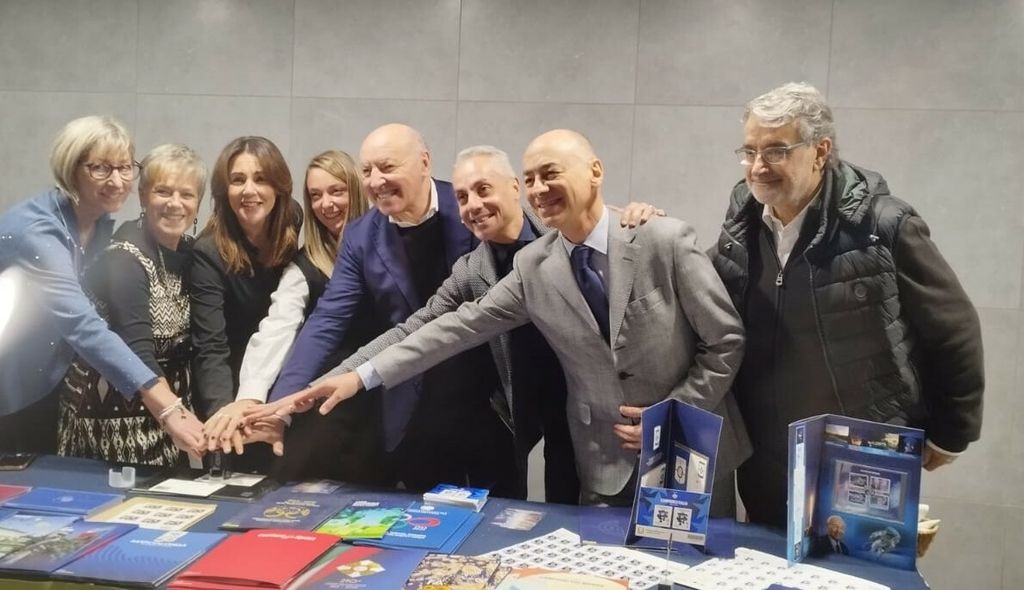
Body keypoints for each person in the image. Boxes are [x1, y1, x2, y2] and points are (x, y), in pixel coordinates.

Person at [262, 129, 749, 508]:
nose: (539, 189)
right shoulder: (533, 267)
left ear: (595, 171)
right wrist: (357, 377)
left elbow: (724, 340)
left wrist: (673, 414)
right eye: (532, 178)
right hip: (599, 460)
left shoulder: (660, 238)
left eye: (548, 174)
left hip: (688, 452)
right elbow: (449, 326)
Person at [709, 82, 984, 527]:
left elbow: (953, 328)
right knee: (766, 557)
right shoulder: (743, 221)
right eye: (749, 151)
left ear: (820, 151)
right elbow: (697, 291)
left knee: (854, 558)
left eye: (776, 151)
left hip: (862, 451)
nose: (758, 167)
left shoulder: (884, 225)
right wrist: (644, 231)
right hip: (766, 453)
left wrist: (952, 433)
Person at [265, 123, 515, 495]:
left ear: (424, 163)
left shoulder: (469, 208)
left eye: (387, 167)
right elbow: (327, 319)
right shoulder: (360, 235)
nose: (376, 181)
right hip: (412, 406)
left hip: (489, 401)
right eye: (367, 171)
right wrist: (281, 405)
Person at [0, 117, 204, 457]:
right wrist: (168, 407)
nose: (117, 181)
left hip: (47, 382)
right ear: (71, 169)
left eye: (124, 168)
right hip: (11, 388)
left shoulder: (98, 221)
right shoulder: (37, 231)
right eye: (101, 168)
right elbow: (82, 324)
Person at [205, 150, 382, 481]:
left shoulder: (386, 244)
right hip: (327, 407)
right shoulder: (304, 266)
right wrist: (252, 399)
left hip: (386, 395)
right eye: (316, 195)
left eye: (336, 191)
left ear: (356, 191)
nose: (326, 204)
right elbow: (277, 328)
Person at [56, 144, 207, 465]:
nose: (175, 203)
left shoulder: (191, 253)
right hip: (111, 423)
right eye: (163, 191)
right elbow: (136, 349)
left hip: (166, 416)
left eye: (187, 194)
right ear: (142, 196)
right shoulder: (123, 258)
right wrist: (174, 414)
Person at [190, 136, 299, 458]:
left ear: (279, 187)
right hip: (230, 384)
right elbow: (211, 346)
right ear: (224, 190)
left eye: (261, 179)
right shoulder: (207, 252)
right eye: (238, 180)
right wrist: (225, 416)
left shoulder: (291, 220)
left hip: (281, 382)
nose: (249, 190)